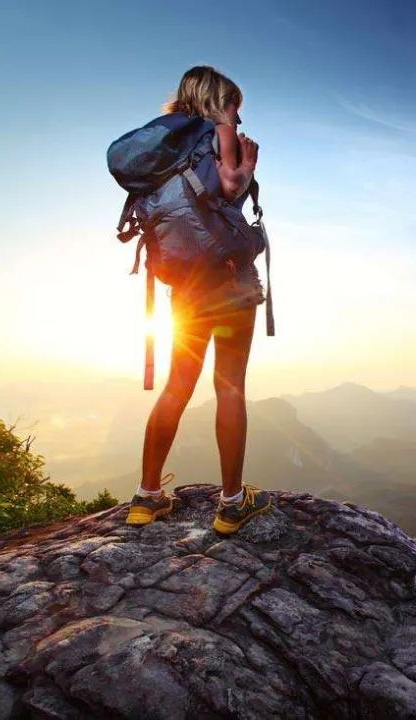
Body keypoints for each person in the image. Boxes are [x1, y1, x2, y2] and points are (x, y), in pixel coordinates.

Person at [125, 66, 273, 534]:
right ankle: (231, 504)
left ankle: (147, 498)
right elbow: (229, 188)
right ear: (219, 100)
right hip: (229, 285)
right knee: (229, 386)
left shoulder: (163, 148)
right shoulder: (219, 131)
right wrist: (247, 169)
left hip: (185, 288)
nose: (239, 119)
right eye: (235, 107)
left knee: (178, 385)